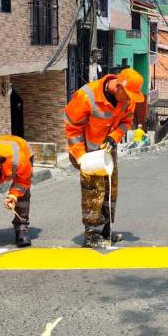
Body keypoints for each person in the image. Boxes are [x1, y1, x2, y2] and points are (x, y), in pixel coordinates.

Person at [65, 68, 145, 249]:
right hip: (87, 152)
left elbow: (126, 122)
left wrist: (114, 137)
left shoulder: (128, 100)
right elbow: (72, 128)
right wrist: (79, 156)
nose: (129, 100)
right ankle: (92, 234)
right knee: (93, 191)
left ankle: (105, 230)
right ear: (118, 87)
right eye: (127, 95)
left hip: (107, 150)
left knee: (110, 189)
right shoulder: (88, 95)